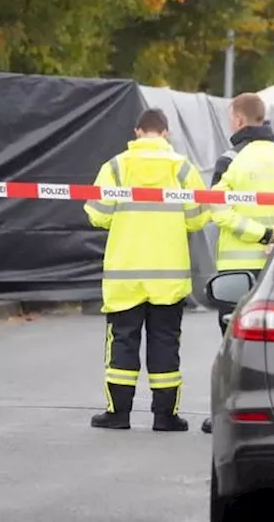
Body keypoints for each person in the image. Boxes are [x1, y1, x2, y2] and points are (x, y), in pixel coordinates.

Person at [84, 108, 210, 432]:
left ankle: (118, 414)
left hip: (125, 274)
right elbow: (198, 217)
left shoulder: (115, 166)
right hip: (168, 276)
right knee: (166, 343)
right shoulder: (183, 169)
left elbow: (97, 214)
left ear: (137, 131)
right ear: (165, 133)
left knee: (123, 342)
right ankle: (165, 416)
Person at [202, 93, 274, 434]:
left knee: (232, 344)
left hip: (236, 271)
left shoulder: (230, 159)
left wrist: (260, 234)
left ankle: (227, 413)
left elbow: (216, 207)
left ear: (238, 119)